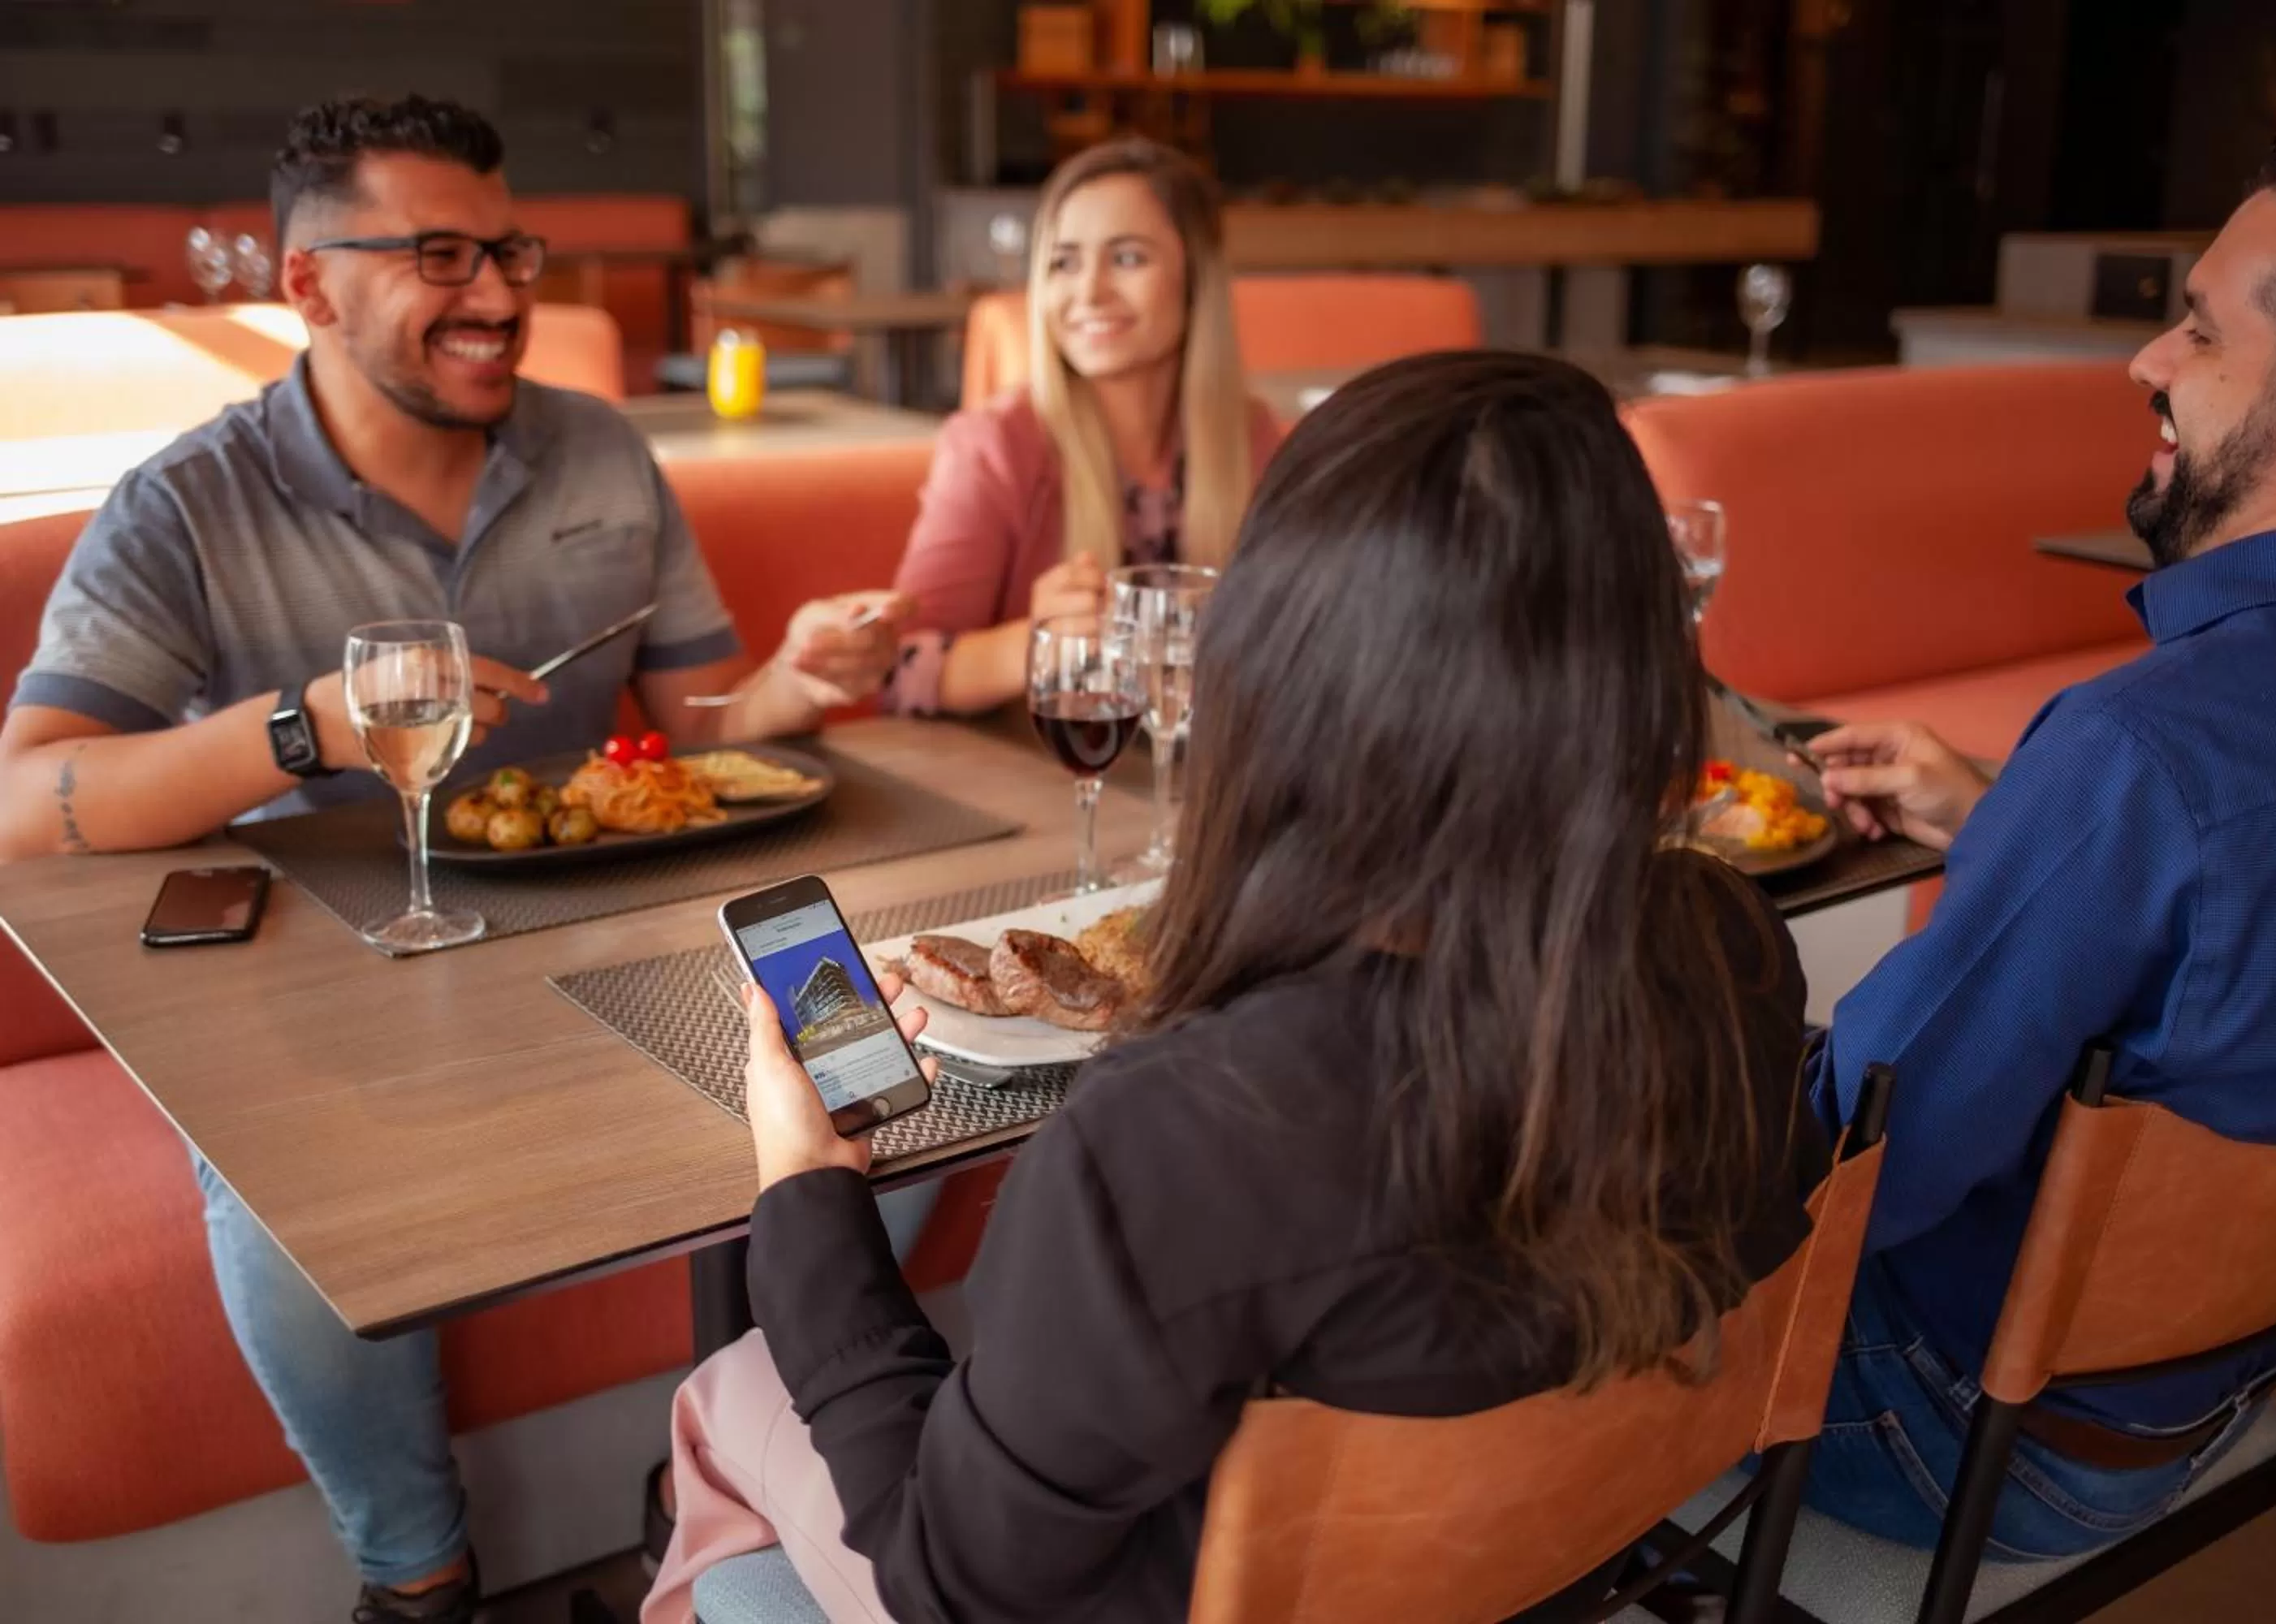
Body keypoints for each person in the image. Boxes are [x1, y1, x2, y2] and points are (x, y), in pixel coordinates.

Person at [640, 351, 1829, 1622]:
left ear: (1270, 663)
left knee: (727, 1398)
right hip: (1541, 1565)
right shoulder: (1732, 944)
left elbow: (951, 1581)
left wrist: (809, 1196)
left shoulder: (1177, 1143)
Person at [0, 96, 918, 1622]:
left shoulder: (602, 453)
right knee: (277, 1173)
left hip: (621, 935)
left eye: (509, 249)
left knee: (874, 1044)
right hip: (343, 988)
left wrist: (799, 689)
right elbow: (28, 800)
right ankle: (417, 1580)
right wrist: (301, 732)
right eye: (441, 255)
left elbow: (701, 718)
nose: (500, 297)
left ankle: (736, 1472)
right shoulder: (190, 504)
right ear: (307, 282)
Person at [1799, 104, 2276, 1560]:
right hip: (2225, 1386)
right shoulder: (2153, 775)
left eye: (2199, 333)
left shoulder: (2144, 751)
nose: (2148, 362)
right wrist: (2010, 818)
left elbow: (1860, 1169)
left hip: (1965, 1437)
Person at [883, 137, 1283, 716]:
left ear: (1197, 279)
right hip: (1041, 785)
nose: (1089, 293)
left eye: (1127, 259)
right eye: (1064, 262)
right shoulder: (994, 445)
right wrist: (1038, 641)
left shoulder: (1252, 434)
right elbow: (899, 674)